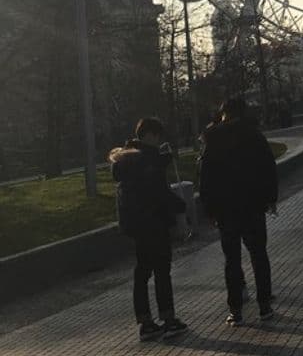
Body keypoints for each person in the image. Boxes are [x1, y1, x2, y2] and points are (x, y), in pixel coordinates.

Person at [198, 97, 278, 326]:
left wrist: (210, 209)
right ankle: (264, 306)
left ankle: (235, 309)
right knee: (259, 255)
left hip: (226, 210)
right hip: (252, 205)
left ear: (224, 114)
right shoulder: (254, 135)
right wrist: (270, 198)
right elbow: (268, 166)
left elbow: (206, 176)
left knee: (231, 260)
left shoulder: (213, 138)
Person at [109, 118, 189, 343]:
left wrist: (160, 161)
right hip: (154, 222)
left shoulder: (128, 158)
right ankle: (169, 319)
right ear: (151, 135)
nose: (159, 140)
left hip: (136, 225)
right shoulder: (147, 160)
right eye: (158, 136)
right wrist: (181, 207)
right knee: (162, 271)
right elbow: (157, 191)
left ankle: (145, 322)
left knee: (142, 272)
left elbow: (143, 178)